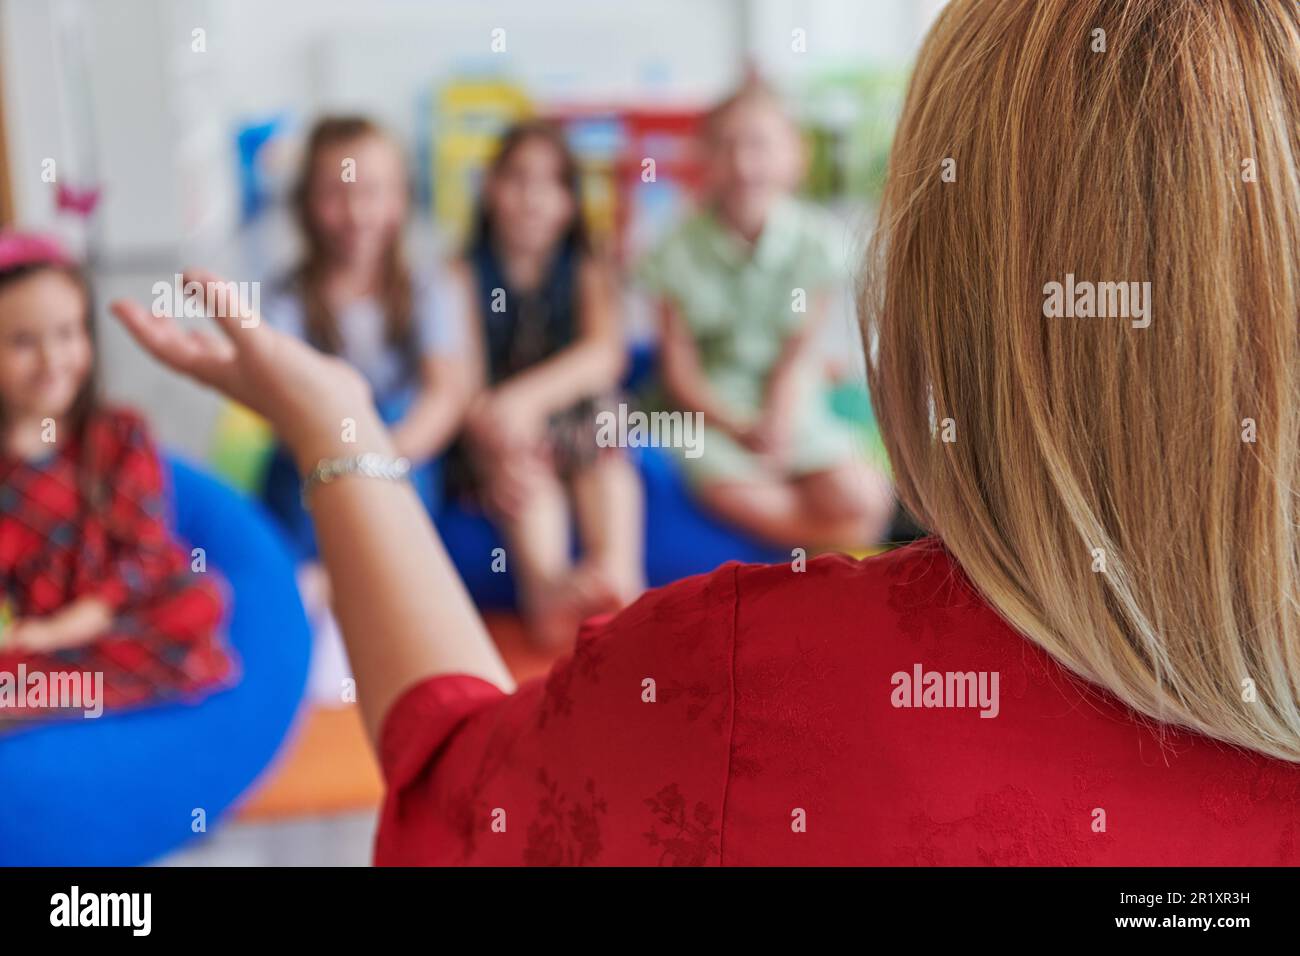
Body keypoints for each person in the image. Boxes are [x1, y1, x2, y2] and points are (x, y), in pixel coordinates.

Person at [113, 0, 1300, 864]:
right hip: (586, 436)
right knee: (586, 459)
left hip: (583, 441)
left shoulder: (738, 676)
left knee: (604, 459)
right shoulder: (439, 266)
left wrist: (352, 426)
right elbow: (605, 364)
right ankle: (568, 571)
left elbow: (457, 790)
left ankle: (590, 570)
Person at [638, 78, 893, 549]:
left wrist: (776, 421)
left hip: (791, 402)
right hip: (708, 415)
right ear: (704, 160)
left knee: (864, 496)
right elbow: (680, 373)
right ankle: (826, 543)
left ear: (793, 155)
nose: (742, 164)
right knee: (737, 490)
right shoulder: (672, 249)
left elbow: (796, 354)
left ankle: (822, 533)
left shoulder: (817, 241)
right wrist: (739, 428)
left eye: (758, 145)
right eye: (725, 147)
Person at [0, 233, 232, 717]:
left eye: (67, 333)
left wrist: (75, 623)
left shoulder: (120, 434)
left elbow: (146, 551)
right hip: (26, 635)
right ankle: (56, 695)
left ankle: (48, 699)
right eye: (23, 342)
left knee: (199, 601)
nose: (51, 361)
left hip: (112, 615)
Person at [260, 116, 475, 608]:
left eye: (373, 192)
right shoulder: (284, 297)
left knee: (398, 418)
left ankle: (370, 581)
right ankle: (318, 583)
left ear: (400, 198)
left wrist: (382, 460)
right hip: (312, 452)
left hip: (401, 454)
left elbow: (444, 393)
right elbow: (283, 399)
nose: (356, 213)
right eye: (335, 194)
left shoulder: (429, 286)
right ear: (306, 205)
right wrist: (341, 460)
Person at [454, 121, 644, 646]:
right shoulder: (462, 273)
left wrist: (526, 399)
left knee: (606, 432)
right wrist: (500, 429)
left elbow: (605, 355)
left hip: (570, 425)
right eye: (517, 179)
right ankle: (547, 592)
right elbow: (461, 387)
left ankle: (619, 576)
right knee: (523, 475)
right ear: (490, 188)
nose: (532, 198)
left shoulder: (584, 264)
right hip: (499, 437)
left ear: (569, 202)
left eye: (551, 183)